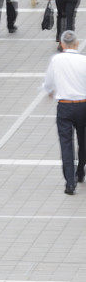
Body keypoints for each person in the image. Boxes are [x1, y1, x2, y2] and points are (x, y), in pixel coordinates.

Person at [43, 30, 86, 194]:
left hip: (65, 106)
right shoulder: (84, 60)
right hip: (83, 104)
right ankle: (80, 170)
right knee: (83, 140)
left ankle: (70, 182)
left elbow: (48, 82)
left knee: (66, 143)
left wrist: (49, 91)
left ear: (61, 44)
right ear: (77, 43)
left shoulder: (56, 60)